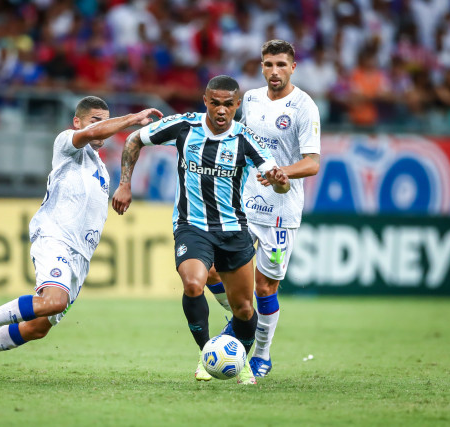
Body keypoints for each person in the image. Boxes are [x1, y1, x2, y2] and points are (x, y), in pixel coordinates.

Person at [0, 96, 162, 378]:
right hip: (54, 237)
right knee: (53, 300)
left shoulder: (100, 169)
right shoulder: (67, 143)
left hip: (80, 258)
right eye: (95, 120)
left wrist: (124, 184)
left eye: (106, 120)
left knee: (38, 328)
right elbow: (91, 134)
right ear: (78, 122)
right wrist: (133, 118)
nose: (102, 127)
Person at [111, 75, 290, 385]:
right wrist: (125, 184)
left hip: (233, 231)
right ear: (206, 101)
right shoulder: (185, 126)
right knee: (194, 284)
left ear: (237, 106)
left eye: (228, 105)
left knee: (245, 309)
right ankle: (207, 353)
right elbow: (133, 139)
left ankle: (243, 362)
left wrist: (281, 182)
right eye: (215, 103)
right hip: (191, 226)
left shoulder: (246, 140)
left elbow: (278, 181)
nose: (221, 110)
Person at [206, 40, 321, 378]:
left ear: (293, 68)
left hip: (281, 211)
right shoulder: (252, 99)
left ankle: (262, 355)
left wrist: (285, 172)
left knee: (264, 287)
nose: (274, 71)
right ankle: (241, 320)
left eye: (281, 65)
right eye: (269, 64)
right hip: (243, 204)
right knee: (211, 269)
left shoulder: (304, 107)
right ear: (261, 66)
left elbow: (313, 162)